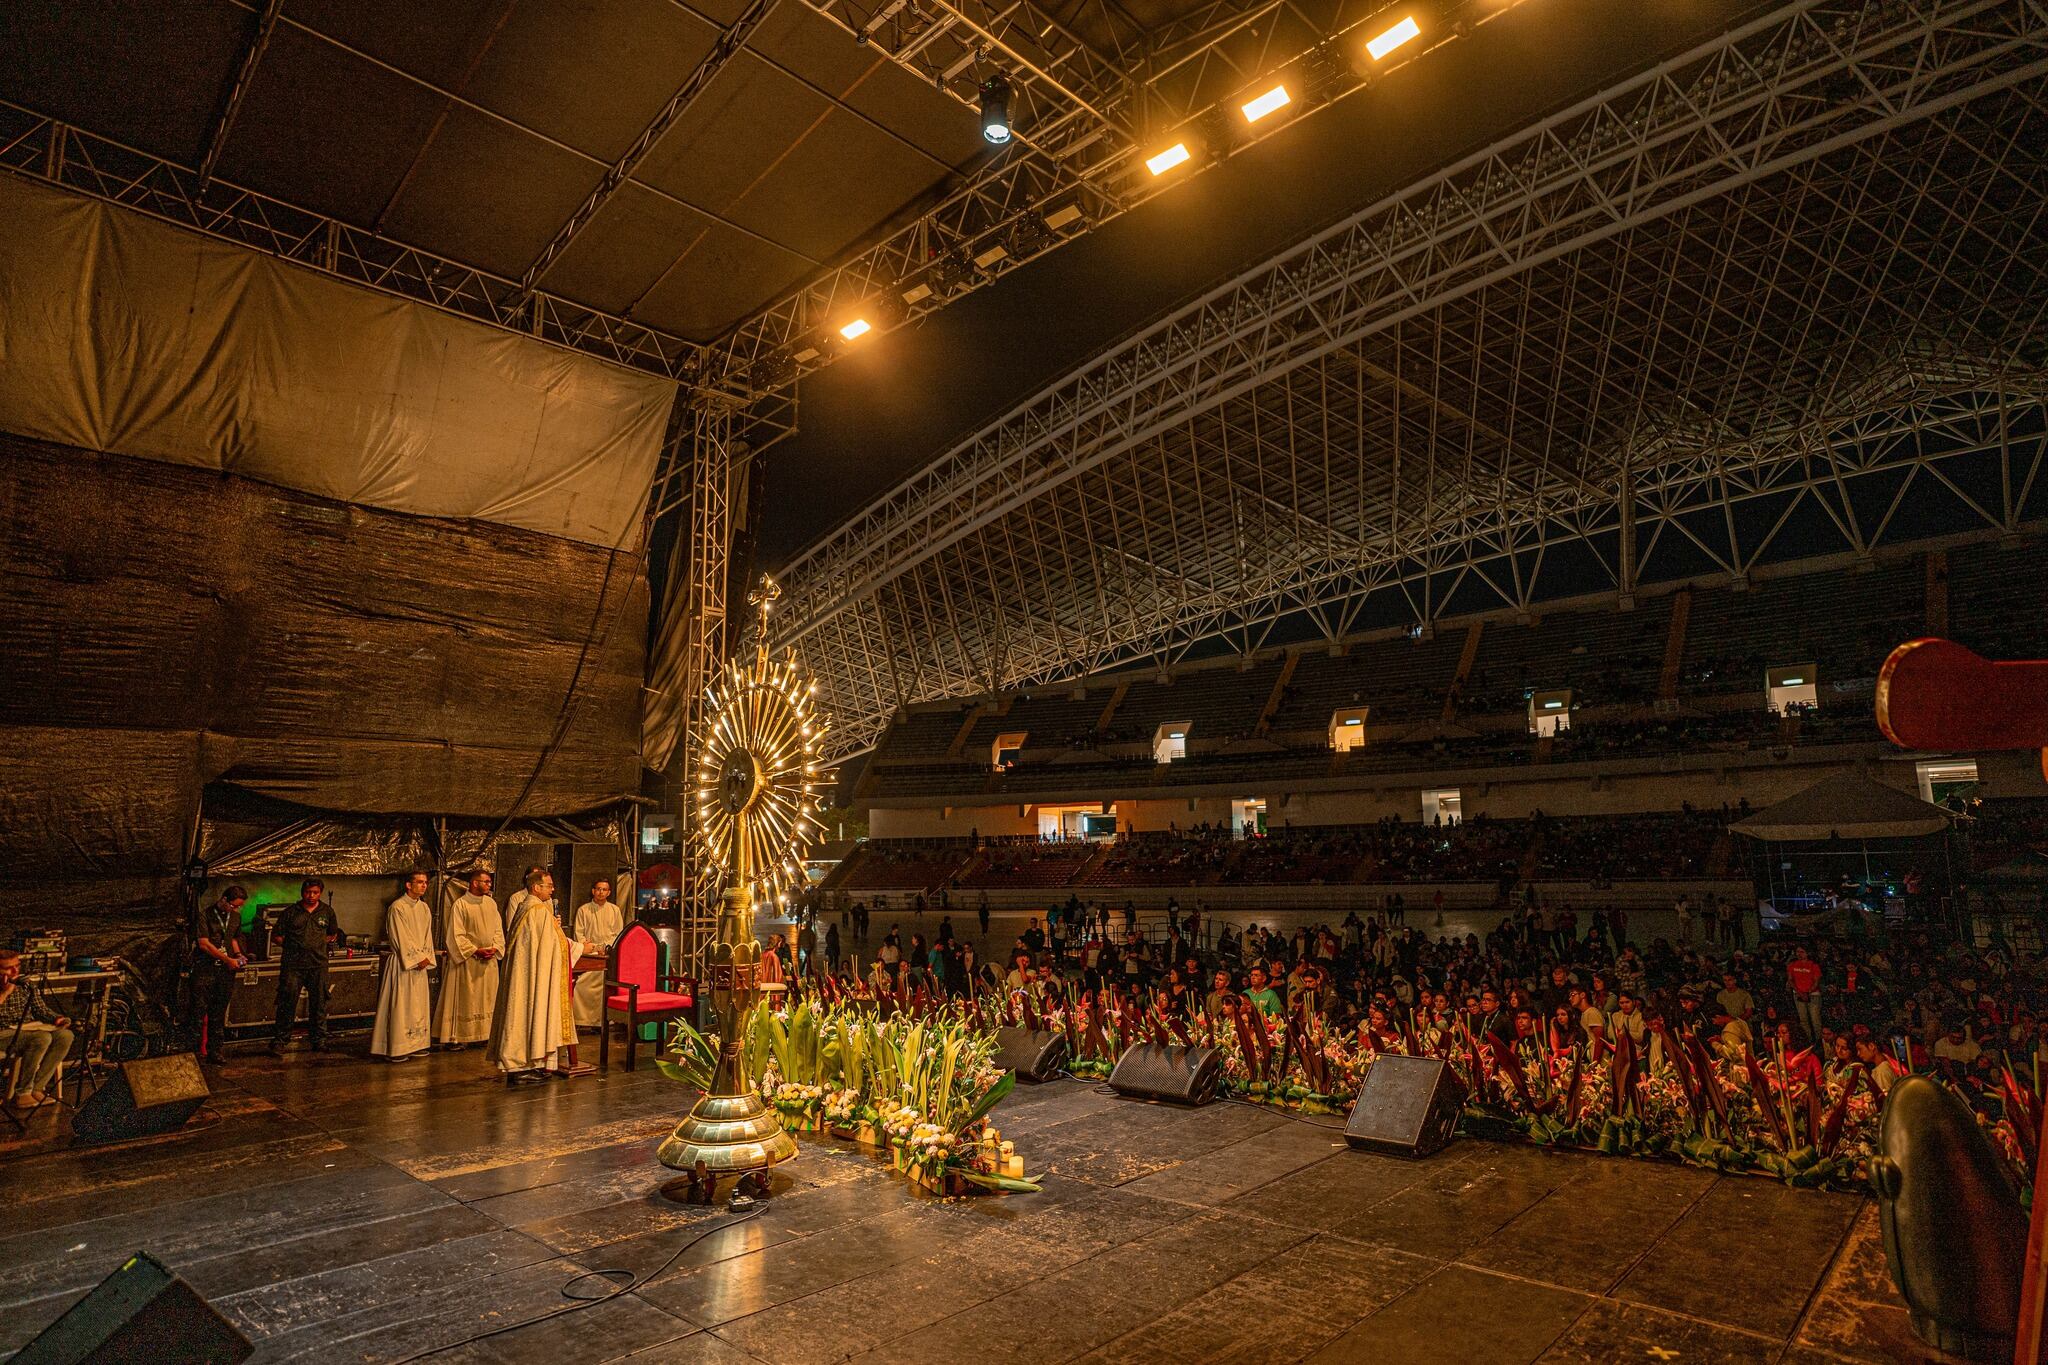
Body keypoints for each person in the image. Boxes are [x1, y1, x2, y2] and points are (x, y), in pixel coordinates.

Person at [488, 869, 583, 1085]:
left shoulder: (528, 907)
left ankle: (529, 1064)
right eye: (548, 885)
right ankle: (520, 1067)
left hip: (526, 974)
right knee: (527, 1013)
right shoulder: (537, 910)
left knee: (523, 1014)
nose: (553, 889)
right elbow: (556, 944)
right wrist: (580, 947)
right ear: (536, 887)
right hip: (530, 977)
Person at [270, 878, 339, 1055]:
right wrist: (293, 945)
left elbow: (332, 934)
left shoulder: (327, 912)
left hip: (318, 964)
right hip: (293, 965)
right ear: (302, 892)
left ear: (320, 893)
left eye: (315, 892)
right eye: (308, 892)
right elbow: (276, 936)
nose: (311, 896)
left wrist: (318, 944)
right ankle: (280, 1041)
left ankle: (319, 1040)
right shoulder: (291, 912)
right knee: (287, 1003)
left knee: (319, 1003)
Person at [371, 872, 435, 1062]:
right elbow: (400, 936)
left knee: (418, 1006)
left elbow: (427, 935)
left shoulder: (424, 908)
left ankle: (417, 1044)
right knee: (401, 1004)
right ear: (408, 885)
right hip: (402, 962)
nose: (424, 886)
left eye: (425, 883)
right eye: (419, 882)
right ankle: (398, 1047)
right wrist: (415, 958)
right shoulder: (398, 907)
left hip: (420, 963)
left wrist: (425, 957)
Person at [436, 870, 504, 1048]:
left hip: (487, 962)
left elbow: (498, 930)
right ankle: (460, 1037)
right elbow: (455, 935)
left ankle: (485, 1034)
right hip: (468, 961)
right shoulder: (461, 904)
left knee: (487, 998)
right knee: (466, 999)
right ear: (474, 883)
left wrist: (495, 947)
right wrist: (475, 950)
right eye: (486, 882)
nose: (490, 885)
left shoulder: (491, 903)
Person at [1, 949, 74, 1110]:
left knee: (65, 1036)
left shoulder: (25, 984)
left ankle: (37, 1087)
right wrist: (5, 992)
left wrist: (57, 1018)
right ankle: (22, 1092)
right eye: (8, 968)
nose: (15, 971)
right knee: (41, 1038)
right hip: (3, 1032)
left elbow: (41, 1009)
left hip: (26, 1029)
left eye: (17, 966)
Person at [189, 885, 248, 1066]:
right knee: (198, 1013)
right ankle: (194, 1053)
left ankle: (216, 1050)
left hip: (224, 973)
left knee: (218, 1012)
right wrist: (225, 958)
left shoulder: (235, 917)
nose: (236, 909)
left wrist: (237, 956)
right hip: (205, 970)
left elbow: (233, 939)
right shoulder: (205, 915)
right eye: (233, 905)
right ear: (223, 900)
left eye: (238, 906)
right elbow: (204, 944)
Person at [571, 878, 625, 1028]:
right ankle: (583, 1020)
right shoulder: (583, 910)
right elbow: (579, 935)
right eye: (598, 889)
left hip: (608, 955)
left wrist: (606, 947)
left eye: (604, 889)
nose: (601, 892)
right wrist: (594, 948)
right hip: (590, 955)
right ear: (593, 891)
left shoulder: (614, 910)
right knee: (582, 985)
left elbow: (618, 934)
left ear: (609, 892)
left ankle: (604, 1020)